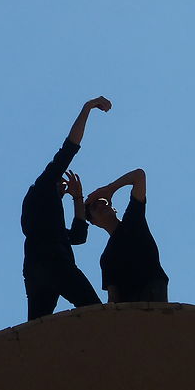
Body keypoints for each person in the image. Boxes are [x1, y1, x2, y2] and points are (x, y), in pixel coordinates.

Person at [21, 97, 111, 320]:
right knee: (95, 312)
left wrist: (77, 198)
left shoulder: (49, 220)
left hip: (38, 269)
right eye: (60, 180)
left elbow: (78, 237)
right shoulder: (42, 188)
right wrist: (88, 107)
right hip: (53, 263)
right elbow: (69, 148)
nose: (64, 183)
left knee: (37, 327)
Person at [86, 168, 169, 303]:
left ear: (113, 208)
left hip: (154, 293)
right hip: (129, 307)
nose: (102, 206)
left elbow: (139, 176)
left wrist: (109, 189)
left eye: (104, 202)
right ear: (93, 222)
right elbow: (113, 297)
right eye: (95, 207)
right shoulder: (107, 257)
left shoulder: (133, 220)